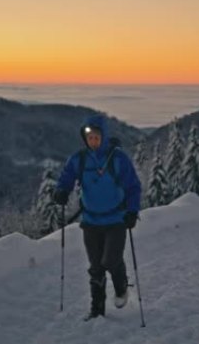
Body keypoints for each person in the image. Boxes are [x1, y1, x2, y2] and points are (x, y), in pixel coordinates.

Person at [53, 114, 141, 321]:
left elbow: (133, 187)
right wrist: (62, 191)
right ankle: (97, 309)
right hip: (91, 222)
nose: (93, 141)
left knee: (111, 260)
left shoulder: (118, 158)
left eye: (96, 137)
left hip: (116, 220)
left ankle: (121, 287)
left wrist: (132, 211)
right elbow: (67, 176)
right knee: (96, 268)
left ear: (104, 136)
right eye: (89, 138)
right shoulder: (80, 159)